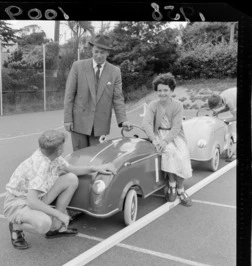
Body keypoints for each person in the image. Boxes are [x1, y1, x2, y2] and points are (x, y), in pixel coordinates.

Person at [3, 129, 116, 250]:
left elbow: (73, 170)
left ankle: (56, 228)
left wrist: (96, 168)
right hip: (18, 203)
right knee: (44, 224)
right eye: (63, 146)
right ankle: (16, 226)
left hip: (37, 196)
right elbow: (32, 201)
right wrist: (58, 214)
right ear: (58, 151)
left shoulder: (52, 157)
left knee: (71, 179)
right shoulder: (40, 167)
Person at [64, 34, 132, 151]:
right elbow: (69, 94)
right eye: (96, 51)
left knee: (97, 158)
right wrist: (68, 119)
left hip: (100, 125)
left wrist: (123, 120)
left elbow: (118, 98)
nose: (99, 55)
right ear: (92, 50)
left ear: (107, 53)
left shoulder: (115, 71)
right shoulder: (78, 66)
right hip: (78, 121)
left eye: (102, 52)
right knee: (80, 157)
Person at [142, 73, 193, 207]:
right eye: (159, 90)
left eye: (165, 90)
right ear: (156, 91)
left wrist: (165, 141)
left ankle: (180, 188)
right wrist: (154, 139)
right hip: (158, 135)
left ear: (171, 90)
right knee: (169, 152)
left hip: (174, 136)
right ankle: (171, 185)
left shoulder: (177, 105)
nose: (162, 93)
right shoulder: (153, 105)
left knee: (181, 154)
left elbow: (176, 127)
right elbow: (146, 123)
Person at [207, 87, 237, 161]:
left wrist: (224, 120)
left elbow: (236, 117)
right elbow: (227, 107)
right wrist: (219, 111)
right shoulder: (221, 96)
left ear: (219, 103)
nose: (215, 109)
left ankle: (236, 155)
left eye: (215, 108)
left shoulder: (230, 100)